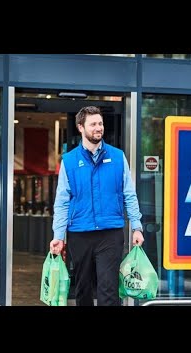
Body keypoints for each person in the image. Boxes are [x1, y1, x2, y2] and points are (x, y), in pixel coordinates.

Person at [50, 106, 144, 306]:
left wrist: (136, 226)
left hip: (110, 233)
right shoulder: (69, 161)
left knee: (108, 288)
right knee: (83, 288)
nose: (98, 128)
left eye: (100, 123)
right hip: (79, 233)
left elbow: (129, 193)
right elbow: (62, 201)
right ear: (81, 128)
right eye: (93, 124)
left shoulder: (118, 157)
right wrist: (58, 236)